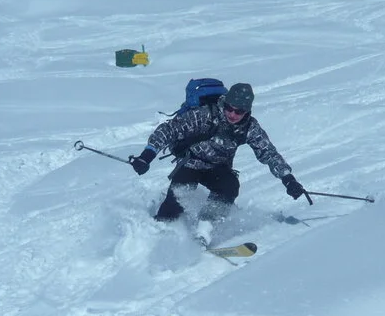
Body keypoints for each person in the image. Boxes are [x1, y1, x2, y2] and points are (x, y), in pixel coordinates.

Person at [130, 82, 306, 226]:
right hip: (191, 163)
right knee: (179, 195)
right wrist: (146, 156)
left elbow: (269, 153)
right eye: (230, 108)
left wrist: (288, 180)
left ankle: (206, 226)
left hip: (218, 168)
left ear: (247, 111)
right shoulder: (205, 115)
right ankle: (161, 225)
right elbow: (169, 130)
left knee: (229, 187)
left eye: (239, 111)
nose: (232, 114)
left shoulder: (250, 128)